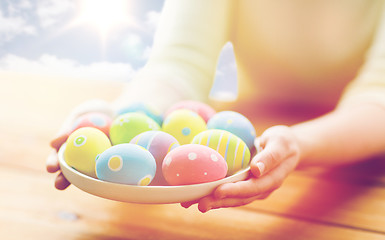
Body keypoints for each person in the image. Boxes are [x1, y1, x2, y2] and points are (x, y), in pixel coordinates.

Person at [47, 0, 385, 213]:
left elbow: (379, 98)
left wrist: (299, 144)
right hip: (260, 125)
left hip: (361, 165)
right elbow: (180, 61)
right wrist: (121, 116)